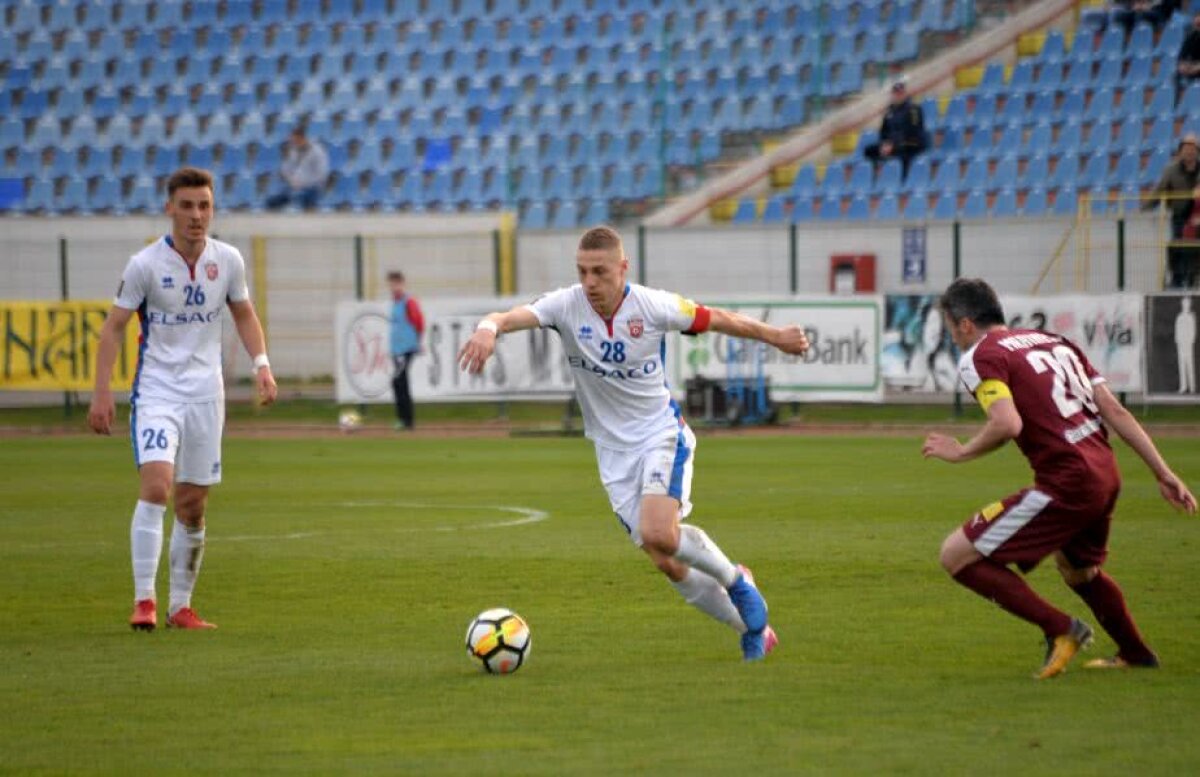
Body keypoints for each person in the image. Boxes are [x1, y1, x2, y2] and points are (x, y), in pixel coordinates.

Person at [457, 226, 810, 661]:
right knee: (666, 559)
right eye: (582, 271)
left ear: (623, 268)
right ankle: (752, 629)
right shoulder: (566, 305)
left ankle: (735, 581)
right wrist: (487, 328)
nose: (589, 282)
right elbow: (511, 317)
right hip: (612, 452)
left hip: (660, 433)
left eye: (600, 272)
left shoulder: (653, 305)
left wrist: (776, 337)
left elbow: (717, 318)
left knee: (658, 531)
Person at [923, 278, 1196, 679]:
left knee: (956, 555)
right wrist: (1164, 472)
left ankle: (1061, 629)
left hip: (1068, 481)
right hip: (1105, 472)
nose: (952, 336)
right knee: (1078, 571)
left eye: (950, 327)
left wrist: (961, 451)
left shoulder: (981, 356)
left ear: (964, 324)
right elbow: (1113, 411)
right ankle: (1136, 653)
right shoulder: (1051, 341)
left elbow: (1007, 423)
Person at [88, 166, 278, 631]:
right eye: (188, 205)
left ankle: (180, 607)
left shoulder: (228, 260)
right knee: (157, 485)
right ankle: (144, 602)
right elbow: (113, 327)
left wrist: (262, 366)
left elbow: (244, 314)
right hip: (157, 391)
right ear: (169, 208)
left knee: (192, 505)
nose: (197, 215)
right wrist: (101, 393)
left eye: (205, 206)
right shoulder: (145, 265)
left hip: (205, 395)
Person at [1143, 133, 1200, 289]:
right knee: (1176, 247)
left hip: (1198, 217)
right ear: (1180, 151)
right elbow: (1159, 190)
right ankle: (1176, 281)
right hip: (1180, 216)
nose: (1189, 151)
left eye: (1193, 148)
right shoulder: (1171, 170)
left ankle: (1194, 279)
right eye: (1186, 148)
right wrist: (1146, 207)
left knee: (1196, 251)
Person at [863, 79, 928, 178]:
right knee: (869, 151)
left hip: (912, 142)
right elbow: (883, 131)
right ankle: (877, 178)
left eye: (900, 93)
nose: (898, 95)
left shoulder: (913, 109)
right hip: (893, 144)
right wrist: (884, 144)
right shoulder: (889, 110)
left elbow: (913, 130)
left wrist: (893, 144)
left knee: (901, 150)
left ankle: (903, 179)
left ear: (905, 94)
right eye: (895, 93)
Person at [387, 270, 424, 430]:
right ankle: (406, 421)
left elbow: (419, 322)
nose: (394, 287)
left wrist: (417, 342)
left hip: (406, 349)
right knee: (401, 383)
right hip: (397, 350)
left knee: (397, 381)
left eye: (396, 283)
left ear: (402, 283)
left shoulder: (408, 302)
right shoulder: (395, 303)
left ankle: (405, 420)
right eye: (391, 284)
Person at [265, 125, 330, 210]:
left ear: (301, 138)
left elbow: (322, 174)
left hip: (312, 187)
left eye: (294, 140)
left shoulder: (318, 151)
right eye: (292, 141)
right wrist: (289, 179)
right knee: (271, 202)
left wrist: (304, 184)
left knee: (307, 200)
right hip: (293, 187)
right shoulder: (293, 150)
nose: (293, 142)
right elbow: (285, 169)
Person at [1174, 11, 1200, 102]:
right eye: (1197, 24)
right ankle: (1176, 107)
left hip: (1197, 68)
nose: (1197, 26)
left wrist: (1196, 68)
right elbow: (1182, 55)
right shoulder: (1191, 36)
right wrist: (1182, 66)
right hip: (1192, 67)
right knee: (1176, 76)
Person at [1176, 295, 1196, 393]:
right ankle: (1183, 386)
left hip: (1188, 344)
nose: (1185, 305)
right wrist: (1178, 341)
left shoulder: (1191, 317)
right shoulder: (1179, 317)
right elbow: (1177, 330)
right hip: (1181, 344)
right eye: (1184, 303)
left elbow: (1193, 330)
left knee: (1189, 365)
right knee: (1182, 366)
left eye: (1187, 303)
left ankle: (1192, 387)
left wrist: (1190, 341)